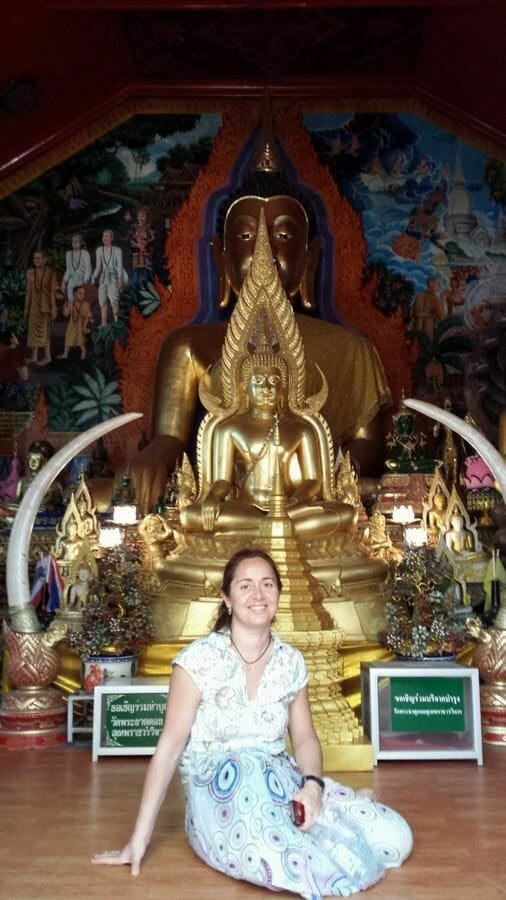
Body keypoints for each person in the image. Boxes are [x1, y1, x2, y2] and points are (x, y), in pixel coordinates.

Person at [92, 548, 412, 895]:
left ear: (278, 594)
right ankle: (330, 830)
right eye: (245, 586)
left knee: (396, 838)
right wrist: (138, 839)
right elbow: (169, 748)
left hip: (279, 777)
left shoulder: (289, 661)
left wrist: (312, 787)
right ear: (226, 599)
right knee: (278, 851)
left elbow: (304, 738)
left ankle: (342, 811)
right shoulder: (198, 661)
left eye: (267, 584)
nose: (258, 595)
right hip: (219, 791)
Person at [130, 189, 392, 514]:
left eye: (283, 235)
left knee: (373, 493)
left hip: (310, 502)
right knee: (124, 494)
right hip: (232, 504)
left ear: (309, 257)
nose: (263, 250)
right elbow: (169, 439)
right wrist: (154, 458)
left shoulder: (351, 347)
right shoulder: (188, 345)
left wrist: (318, 480)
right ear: (221, 257)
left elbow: (367, 446)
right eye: (245, 235)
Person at [180, 359, 356, 539]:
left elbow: (312, 481)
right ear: (243, 387)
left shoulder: (301, 429)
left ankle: (247, 533)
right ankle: (274, 529)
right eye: (257, 381)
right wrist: (213, 498)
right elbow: (223, 481)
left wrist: (292, 503)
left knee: (346, 513)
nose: (266, 388)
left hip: (290, 508)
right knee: (189, 516)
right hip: (247, 508)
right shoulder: (228, 428)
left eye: (274, 382)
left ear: (284, 389)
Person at [24, 249, 59, 366]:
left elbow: (53, 292)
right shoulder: (30, 273)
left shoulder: (50, 272)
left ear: (45, 260)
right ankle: (34, 357)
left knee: (45, 332)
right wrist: (26, 308)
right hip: (34, 306)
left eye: (39, 258)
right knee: (33, 332)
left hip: (45, 306)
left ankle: (47, 356)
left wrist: (54, 308)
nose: (37, 260)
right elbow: (28, 292)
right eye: (35, 258)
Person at [92, 228, 126, 328]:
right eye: (103, 236)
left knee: (114, 300)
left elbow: (119, 266)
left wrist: (120, 280)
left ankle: (116, 322)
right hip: (103, 278)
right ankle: (103, 323)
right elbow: (98, 267)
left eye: (107, 236)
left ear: (111, 238)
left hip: (113, 277)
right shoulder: (99, 250)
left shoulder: (117, 250)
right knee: (102, 300)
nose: (104, 238)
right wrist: (93, 277)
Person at [58, 285, 93, 360]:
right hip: (72, 325)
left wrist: (84, 327)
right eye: (80, 293)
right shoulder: (71, 303)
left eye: (83, 293)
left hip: (81, 325)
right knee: (68, 339)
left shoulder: (86, 304)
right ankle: (65, 354)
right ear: (75, 293)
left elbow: (88, 317)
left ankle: (83, 356)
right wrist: (65, 307)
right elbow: (66, 315)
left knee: (81, 342)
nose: (82, 295)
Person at [61, 234, 92, 304]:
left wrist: (85, 282)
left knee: (80, 301)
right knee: (70, 299)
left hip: (82, 279)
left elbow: (88, 269)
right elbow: (68, 270)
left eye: (76, 241)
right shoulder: (68, 254)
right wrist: (64, 281)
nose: (74, 243)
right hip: (73, 280)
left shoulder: (85, 253)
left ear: (81, 243)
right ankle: (71, 307)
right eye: (73, 242)